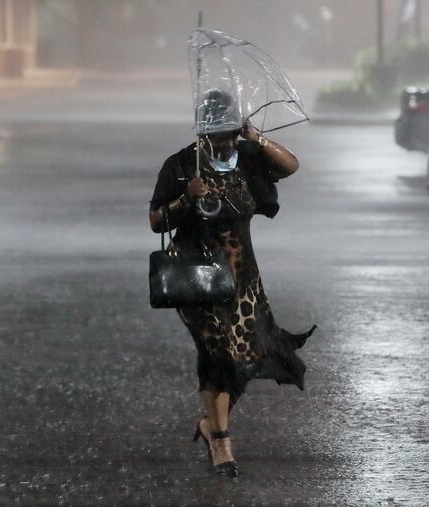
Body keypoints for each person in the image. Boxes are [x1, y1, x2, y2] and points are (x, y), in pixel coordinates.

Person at [148, 90, 315, 477]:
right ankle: (221, 439)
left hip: (243, 278)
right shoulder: (179, 165)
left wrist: (256, 138)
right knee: (218, 353)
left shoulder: (249, 156)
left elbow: (290, 166)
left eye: (230, 133)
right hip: (197, 279)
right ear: (202, 131)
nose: (224, 141)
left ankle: (209, 423)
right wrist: (184, 201)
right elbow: (156, 221)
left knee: (251, 352)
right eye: (216, 134)